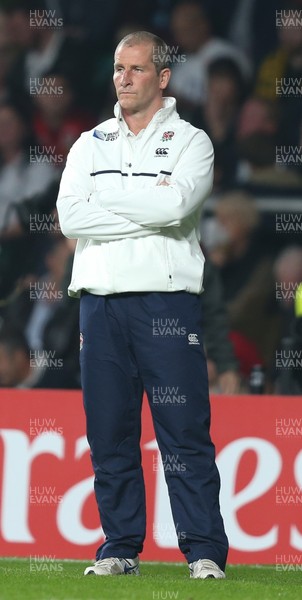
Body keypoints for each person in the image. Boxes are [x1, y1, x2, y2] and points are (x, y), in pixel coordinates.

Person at [57, 30, 228, 579]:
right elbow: (70, 218)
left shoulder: (191, 142)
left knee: (184, 432)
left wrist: (106, 198)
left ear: (162, 77)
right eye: (116, 68)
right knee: (109, 432)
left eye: (134, 69)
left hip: (166, 305)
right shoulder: (90, 142)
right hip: (100, 307)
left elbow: (177, 206)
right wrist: (146, 204)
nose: (122, 78)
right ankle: (120, 548)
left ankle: (203, 551)